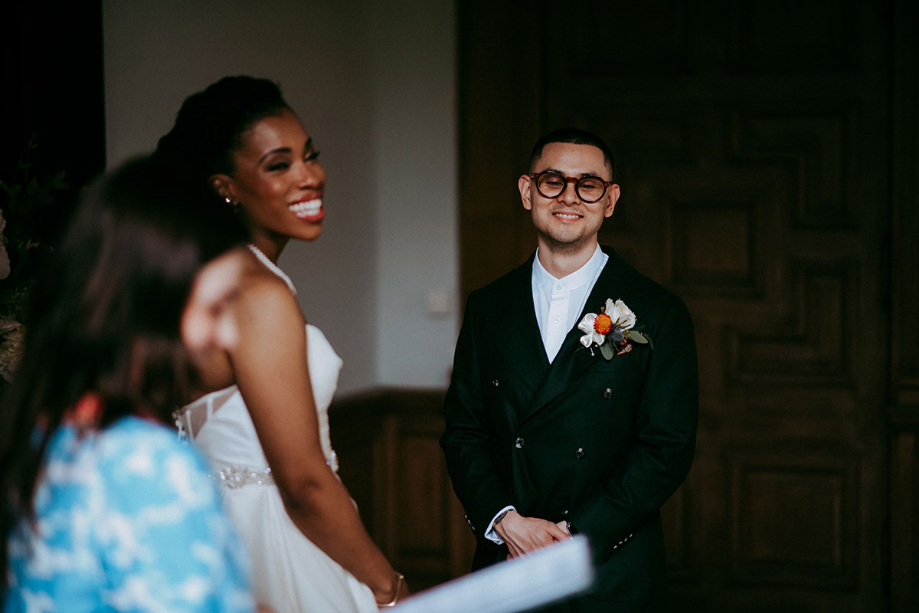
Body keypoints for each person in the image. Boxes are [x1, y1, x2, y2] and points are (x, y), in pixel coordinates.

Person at [158, 76, 408, 612]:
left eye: (310, 156)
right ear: (225, 185)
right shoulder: (256, 293)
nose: (310, 177)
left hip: (215, 537)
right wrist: (386, 585)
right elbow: (303, 482)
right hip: (279, 543)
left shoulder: (201, 281)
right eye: (279, 165)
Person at [440, 128, 699, 612]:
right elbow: (464, 430)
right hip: (508, 559)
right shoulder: (487, 307)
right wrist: (508, 523)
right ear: (527, 191)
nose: (569, 197)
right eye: (553, 181)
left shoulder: (657, 312)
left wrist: (573, 537)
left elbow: (666, 446)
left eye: (589, 184)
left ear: (611, 200)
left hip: (610, 568)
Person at [0, 157, 256, 611]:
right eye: (216, 307)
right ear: (152, 302)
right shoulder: (149, 463)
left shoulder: (50, 427)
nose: (230, 335)